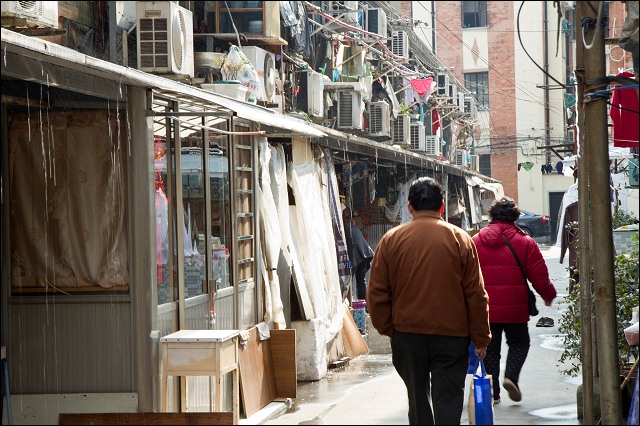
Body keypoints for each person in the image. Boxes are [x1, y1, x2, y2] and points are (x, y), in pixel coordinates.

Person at [367, 177, 491, 425]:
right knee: (448, 398)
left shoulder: (391, 240)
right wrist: (481, 337)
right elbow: (475, 294)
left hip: (407, 335)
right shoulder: (460, 239)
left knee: (418, 400)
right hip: (452, 337)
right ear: (442, 207)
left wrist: (390, 329)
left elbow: (377, 294)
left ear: (410, 207)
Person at [472, 197, 557, 404]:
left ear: (491, 216)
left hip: (485, 309)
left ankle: (493, 394)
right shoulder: (525, 242)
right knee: (520, 342)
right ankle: (511, 376)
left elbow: (465, 276)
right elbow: (539, 277)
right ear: (515, 217)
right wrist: (548, 295)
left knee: (490, 349)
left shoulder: (475, 241)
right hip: (515, 308)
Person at [342, 206, 374, 300]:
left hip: (359, 253)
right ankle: (363, 306)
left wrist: (351, 267)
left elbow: (352, 247)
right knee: (360, 281)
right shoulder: (350, 226)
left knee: (351, 280)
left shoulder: (343, 227)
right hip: (365, 253)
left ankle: (358, 305)